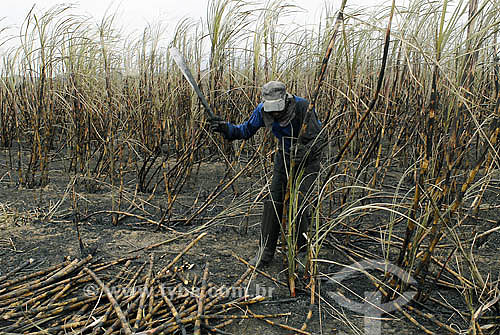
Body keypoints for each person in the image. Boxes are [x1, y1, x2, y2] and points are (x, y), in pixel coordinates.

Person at [209, 81, 323, 267]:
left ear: (285, 100)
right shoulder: (262, 110)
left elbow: (320, 137)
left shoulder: (303, 107)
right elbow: (244, 130)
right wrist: (225, 128)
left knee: (300, 202)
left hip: (307, 160)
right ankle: (265, 252)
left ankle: (301, 252)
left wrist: (304, 150)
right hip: (284, 157)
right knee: (274, 200)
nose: (275, 113)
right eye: (272, 109)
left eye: (278, 108)